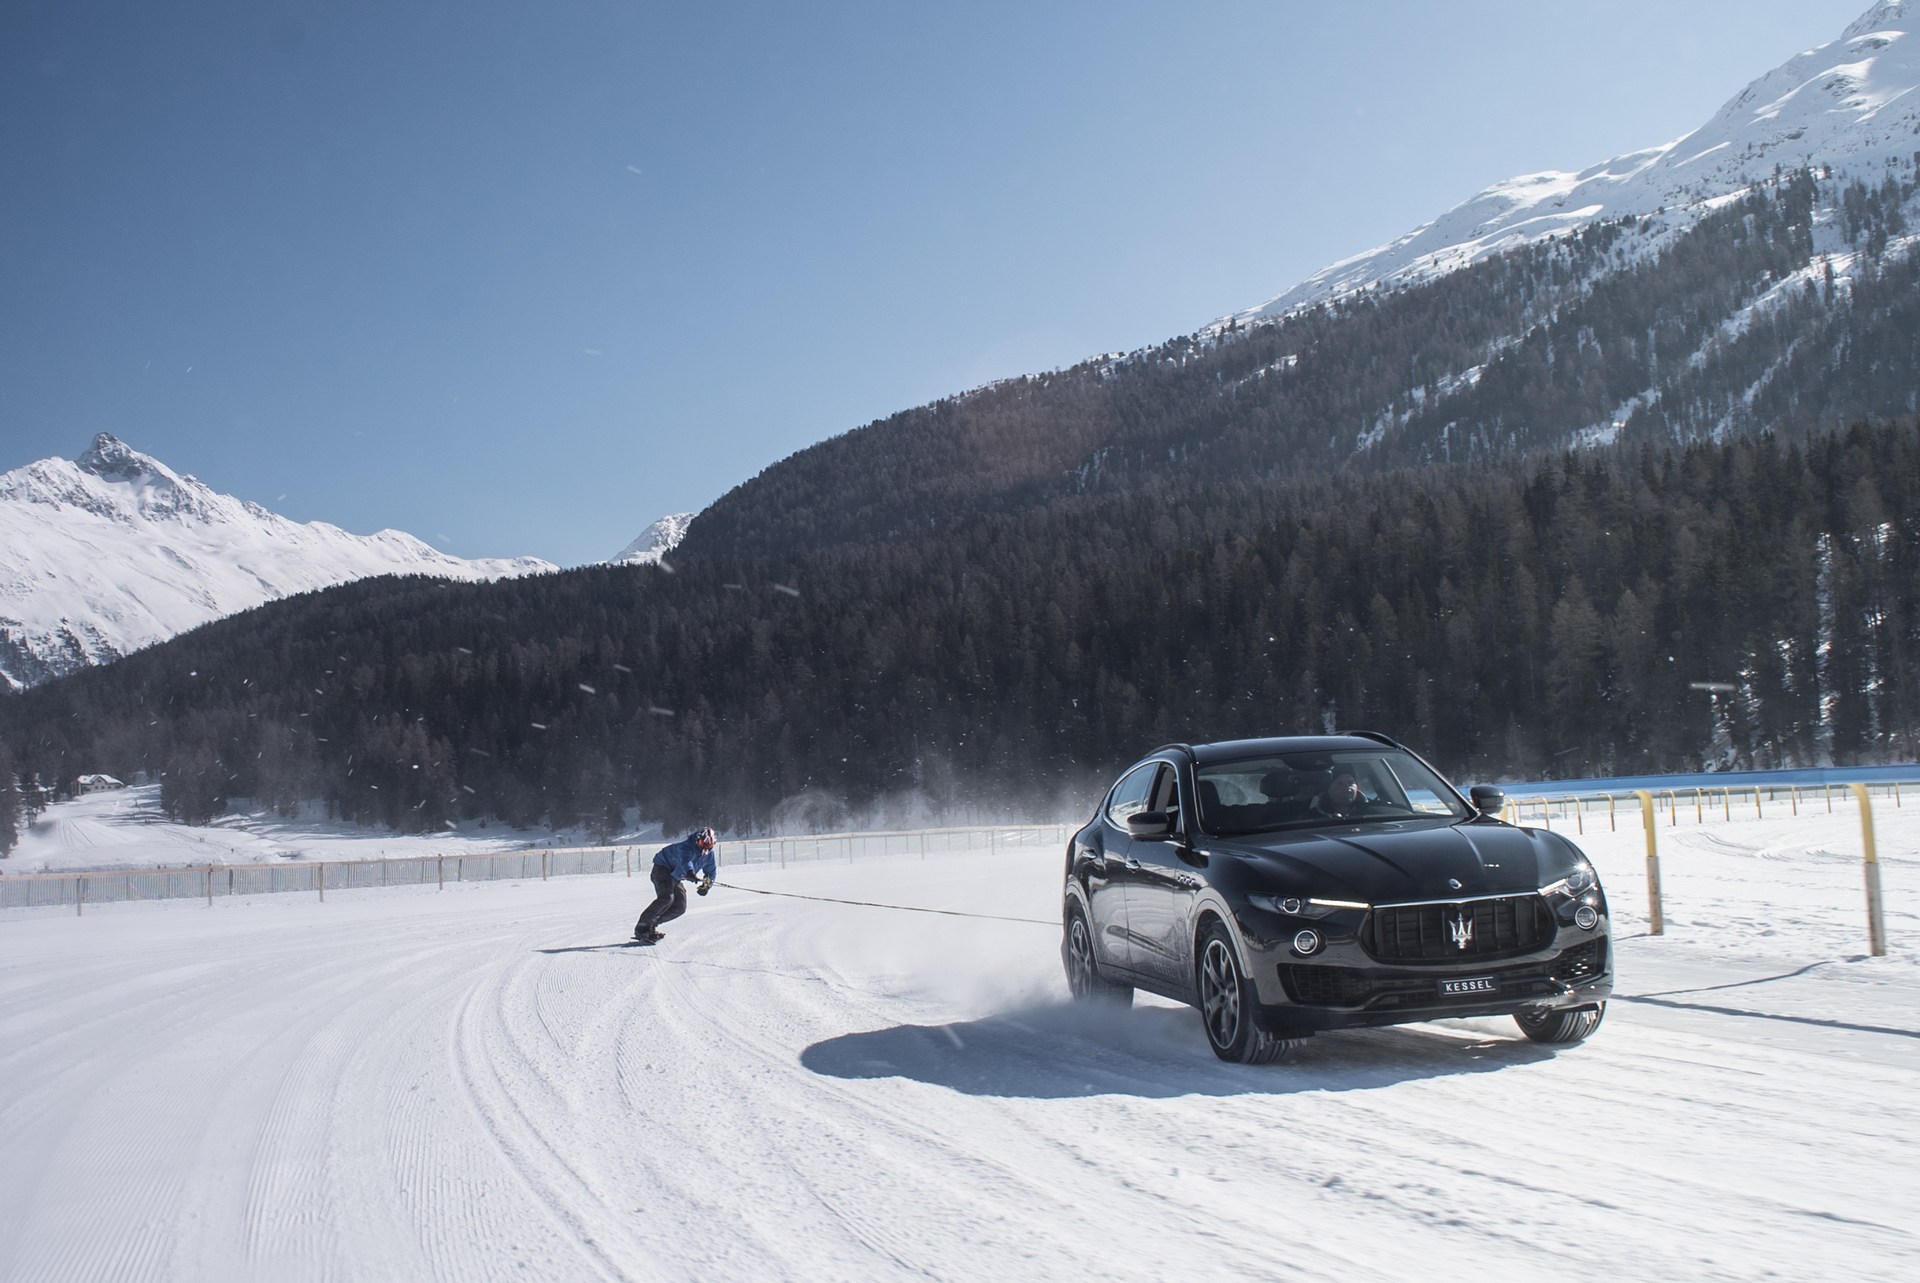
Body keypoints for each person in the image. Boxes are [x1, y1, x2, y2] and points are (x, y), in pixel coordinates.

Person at [633, 826, 718, 942]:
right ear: (697, 840)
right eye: (704, 843)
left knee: (680, 907)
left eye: (709, 845)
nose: (706, 848)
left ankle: (651, 926)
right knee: (667, 898)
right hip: (662, 869)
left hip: (675, 876)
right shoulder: (686, 847)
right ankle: (642, 928)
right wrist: (690, 872)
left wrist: (707, 886)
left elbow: (711, 872)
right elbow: (686, 861)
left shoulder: (709, 855)